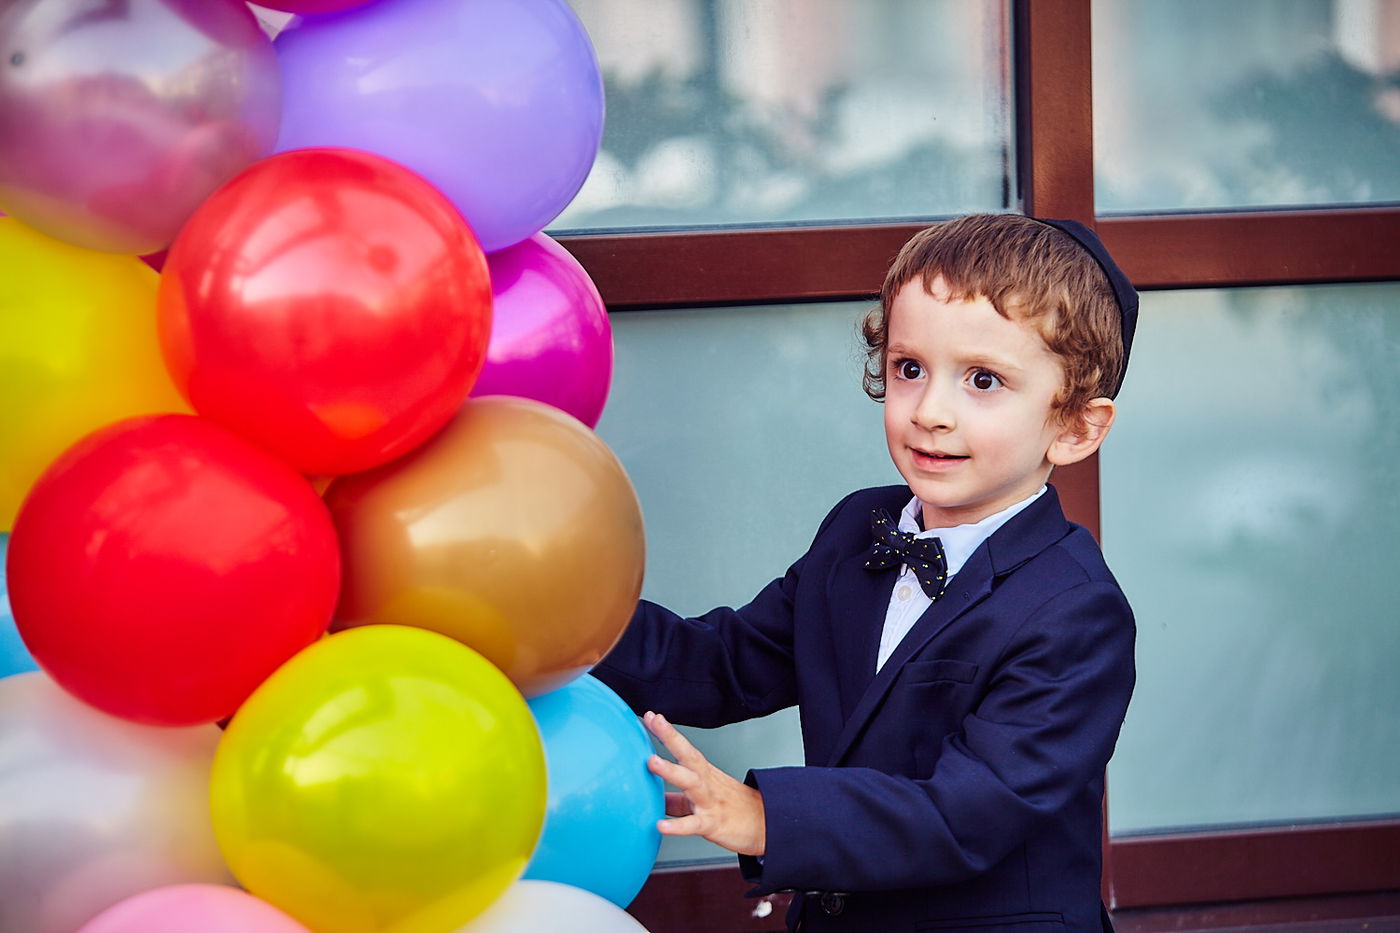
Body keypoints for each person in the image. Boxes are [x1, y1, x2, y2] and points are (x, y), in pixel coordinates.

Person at [593, 213, 1138, 933]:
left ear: (1075, 427)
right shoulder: (858, 530)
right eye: (910, 368)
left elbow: (967, 813)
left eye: (983, 380)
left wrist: (765, 817)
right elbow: (726, 662)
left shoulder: (1077, 611)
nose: (931, 412)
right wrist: (569, 628)